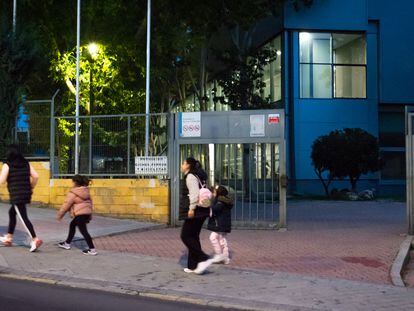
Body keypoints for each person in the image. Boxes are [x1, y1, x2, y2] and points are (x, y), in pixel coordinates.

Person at [0, 145, 43, 252]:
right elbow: (36, 176)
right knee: (12, 213)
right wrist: (31, 187)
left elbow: (2, 180)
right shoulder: (26, 163)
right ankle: (9, 238)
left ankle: (35, 239)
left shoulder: (7, 165)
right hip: (26, 193)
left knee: (23, 217)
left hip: (16, 195)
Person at [180, 157, 212, 274]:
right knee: (193, 236)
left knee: (185, 236)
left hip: (196, 211)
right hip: (203, 210)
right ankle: (193, 266)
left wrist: (191, 209)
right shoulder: (199, 175)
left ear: (188, 165)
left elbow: (194, 194)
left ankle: (203, 258)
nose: (181, 165)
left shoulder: (190, 177)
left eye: (183, 163)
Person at [57, 174, 97, 256]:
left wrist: (60, 215)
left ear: (76, 182)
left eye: (73, 182)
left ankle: (92, 249)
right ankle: (67, 243)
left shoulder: (74, 192)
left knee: (84, 232)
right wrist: (89, 215)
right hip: (85, 213)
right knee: (72, 225)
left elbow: (66, 204)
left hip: (80, 214)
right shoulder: (86, 191)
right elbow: (90, 203)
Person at [208, 185, 233, 265]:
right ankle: (225, 257)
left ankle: (219, 255)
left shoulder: (220, 202)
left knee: (213, 237)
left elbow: (214, 210)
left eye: (215, 192)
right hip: (223, 224)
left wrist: (208, 203)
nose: (213, 193)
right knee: (222, 240)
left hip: (220, 224)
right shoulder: (223, 201)